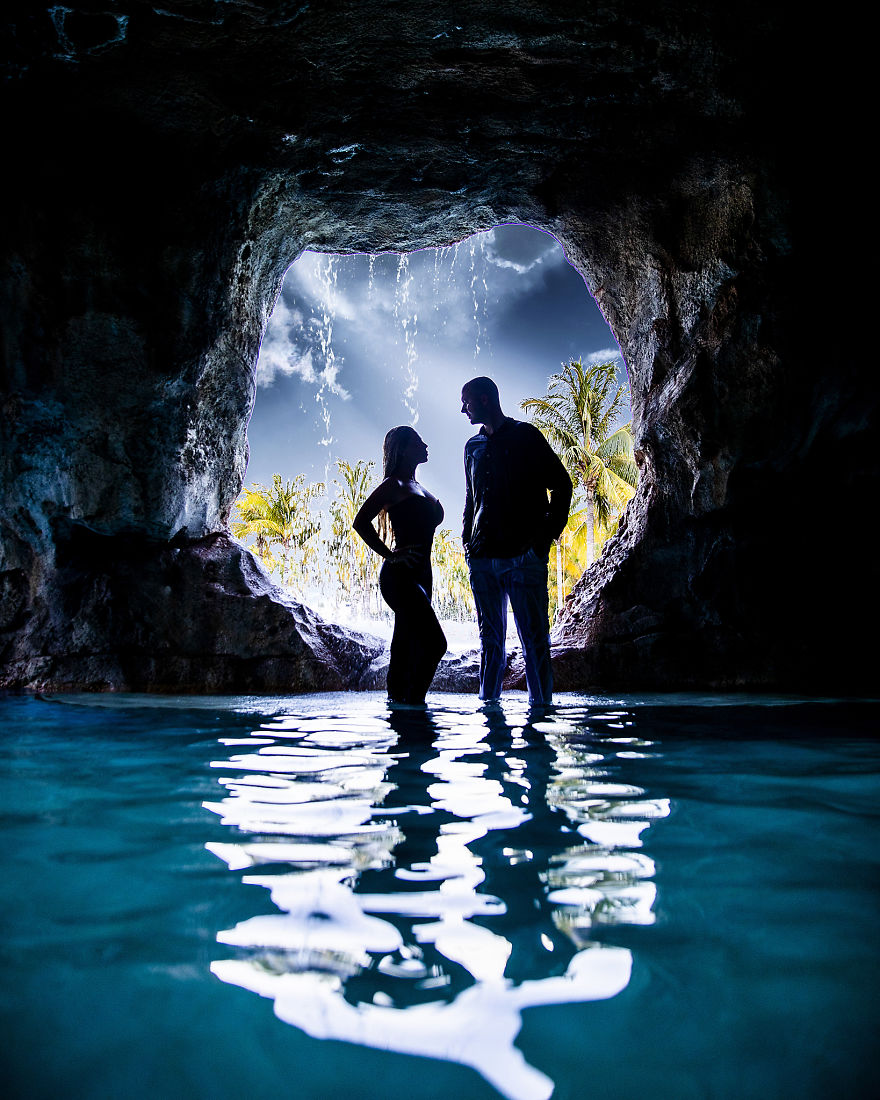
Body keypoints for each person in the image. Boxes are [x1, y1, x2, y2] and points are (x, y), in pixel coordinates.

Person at [461, 376, 573, 706]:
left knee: (534, 640)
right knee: (489, 642)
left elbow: (562, 485)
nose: (462, 409)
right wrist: (468, 543)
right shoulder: (472, 447)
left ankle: (541, 713)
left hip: (525, 557)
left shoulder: (526, 436)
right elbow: (471, 498)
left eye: (465, 401)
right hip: (482, 560)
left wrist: (543, 541)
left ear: (484, 399)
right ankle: (489, 718)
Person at [353, 426, 447, 706]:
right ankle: (414, 705)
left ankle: (398, 710)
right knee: (435, 644)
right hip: (400, 576)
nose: (426, 445)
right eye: (419, 441)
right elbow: (360, 522)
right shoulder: (393, 485)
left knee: (404, 645)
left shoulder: (419, 487)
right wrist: (390, 555)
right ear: (404, 449)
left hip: (422, 576)